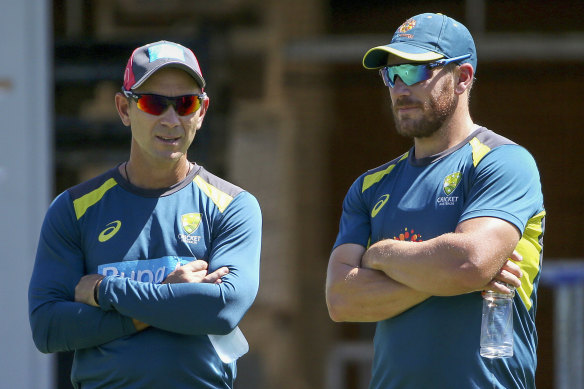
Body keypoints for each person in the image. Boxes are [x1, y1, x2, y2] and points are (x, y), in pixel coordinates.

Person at [325, 13, 545, 389]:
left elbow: (469, 263)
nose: (399, 87)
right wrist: (451, 273)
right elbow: (342, 300)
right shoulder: (369, 187)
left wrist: (380, 255)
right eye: (391, 74)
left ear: (462, 78)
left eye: (415, 72)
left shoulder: (504, 162)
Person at [28, 40, 262, 388]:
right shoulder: (74, 208)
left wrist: (106, 292)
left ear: (202, 111)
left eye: (186, 103)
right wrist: (170, 295)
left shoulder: (233, 205)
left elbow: (221, 309)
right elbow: (49, 328)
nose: (171, 119)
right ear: (124, 109)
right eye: (154, 103)